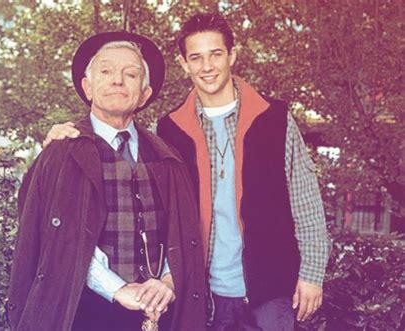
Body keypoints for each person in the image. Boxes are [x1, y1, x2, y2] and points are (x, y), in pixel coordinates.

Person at [45, 13, 330, 331]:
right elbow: (138, 190)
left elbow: (306, 204)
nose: (207, 67)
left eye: (216, 54)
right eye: (196, 57)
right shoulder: (168, 131)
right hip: (199, 291)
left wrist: (312, 275)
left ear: (232, 55)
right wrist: (63, 137)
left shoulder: (275, 119)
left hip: (270, 292)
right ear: (183, 63)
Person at [7, 31, 206, 331]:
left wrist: (168, 280)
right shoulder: (60, 155)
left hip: (159, 314)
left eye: (130, 74)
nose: (117, 80)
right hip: (82, 313)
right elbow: (52, 241)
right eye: (106, 71)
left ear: (144, 93)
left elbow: (182, 233)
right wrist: (116, 288)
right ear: (87, 87)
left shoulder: (167, 157)